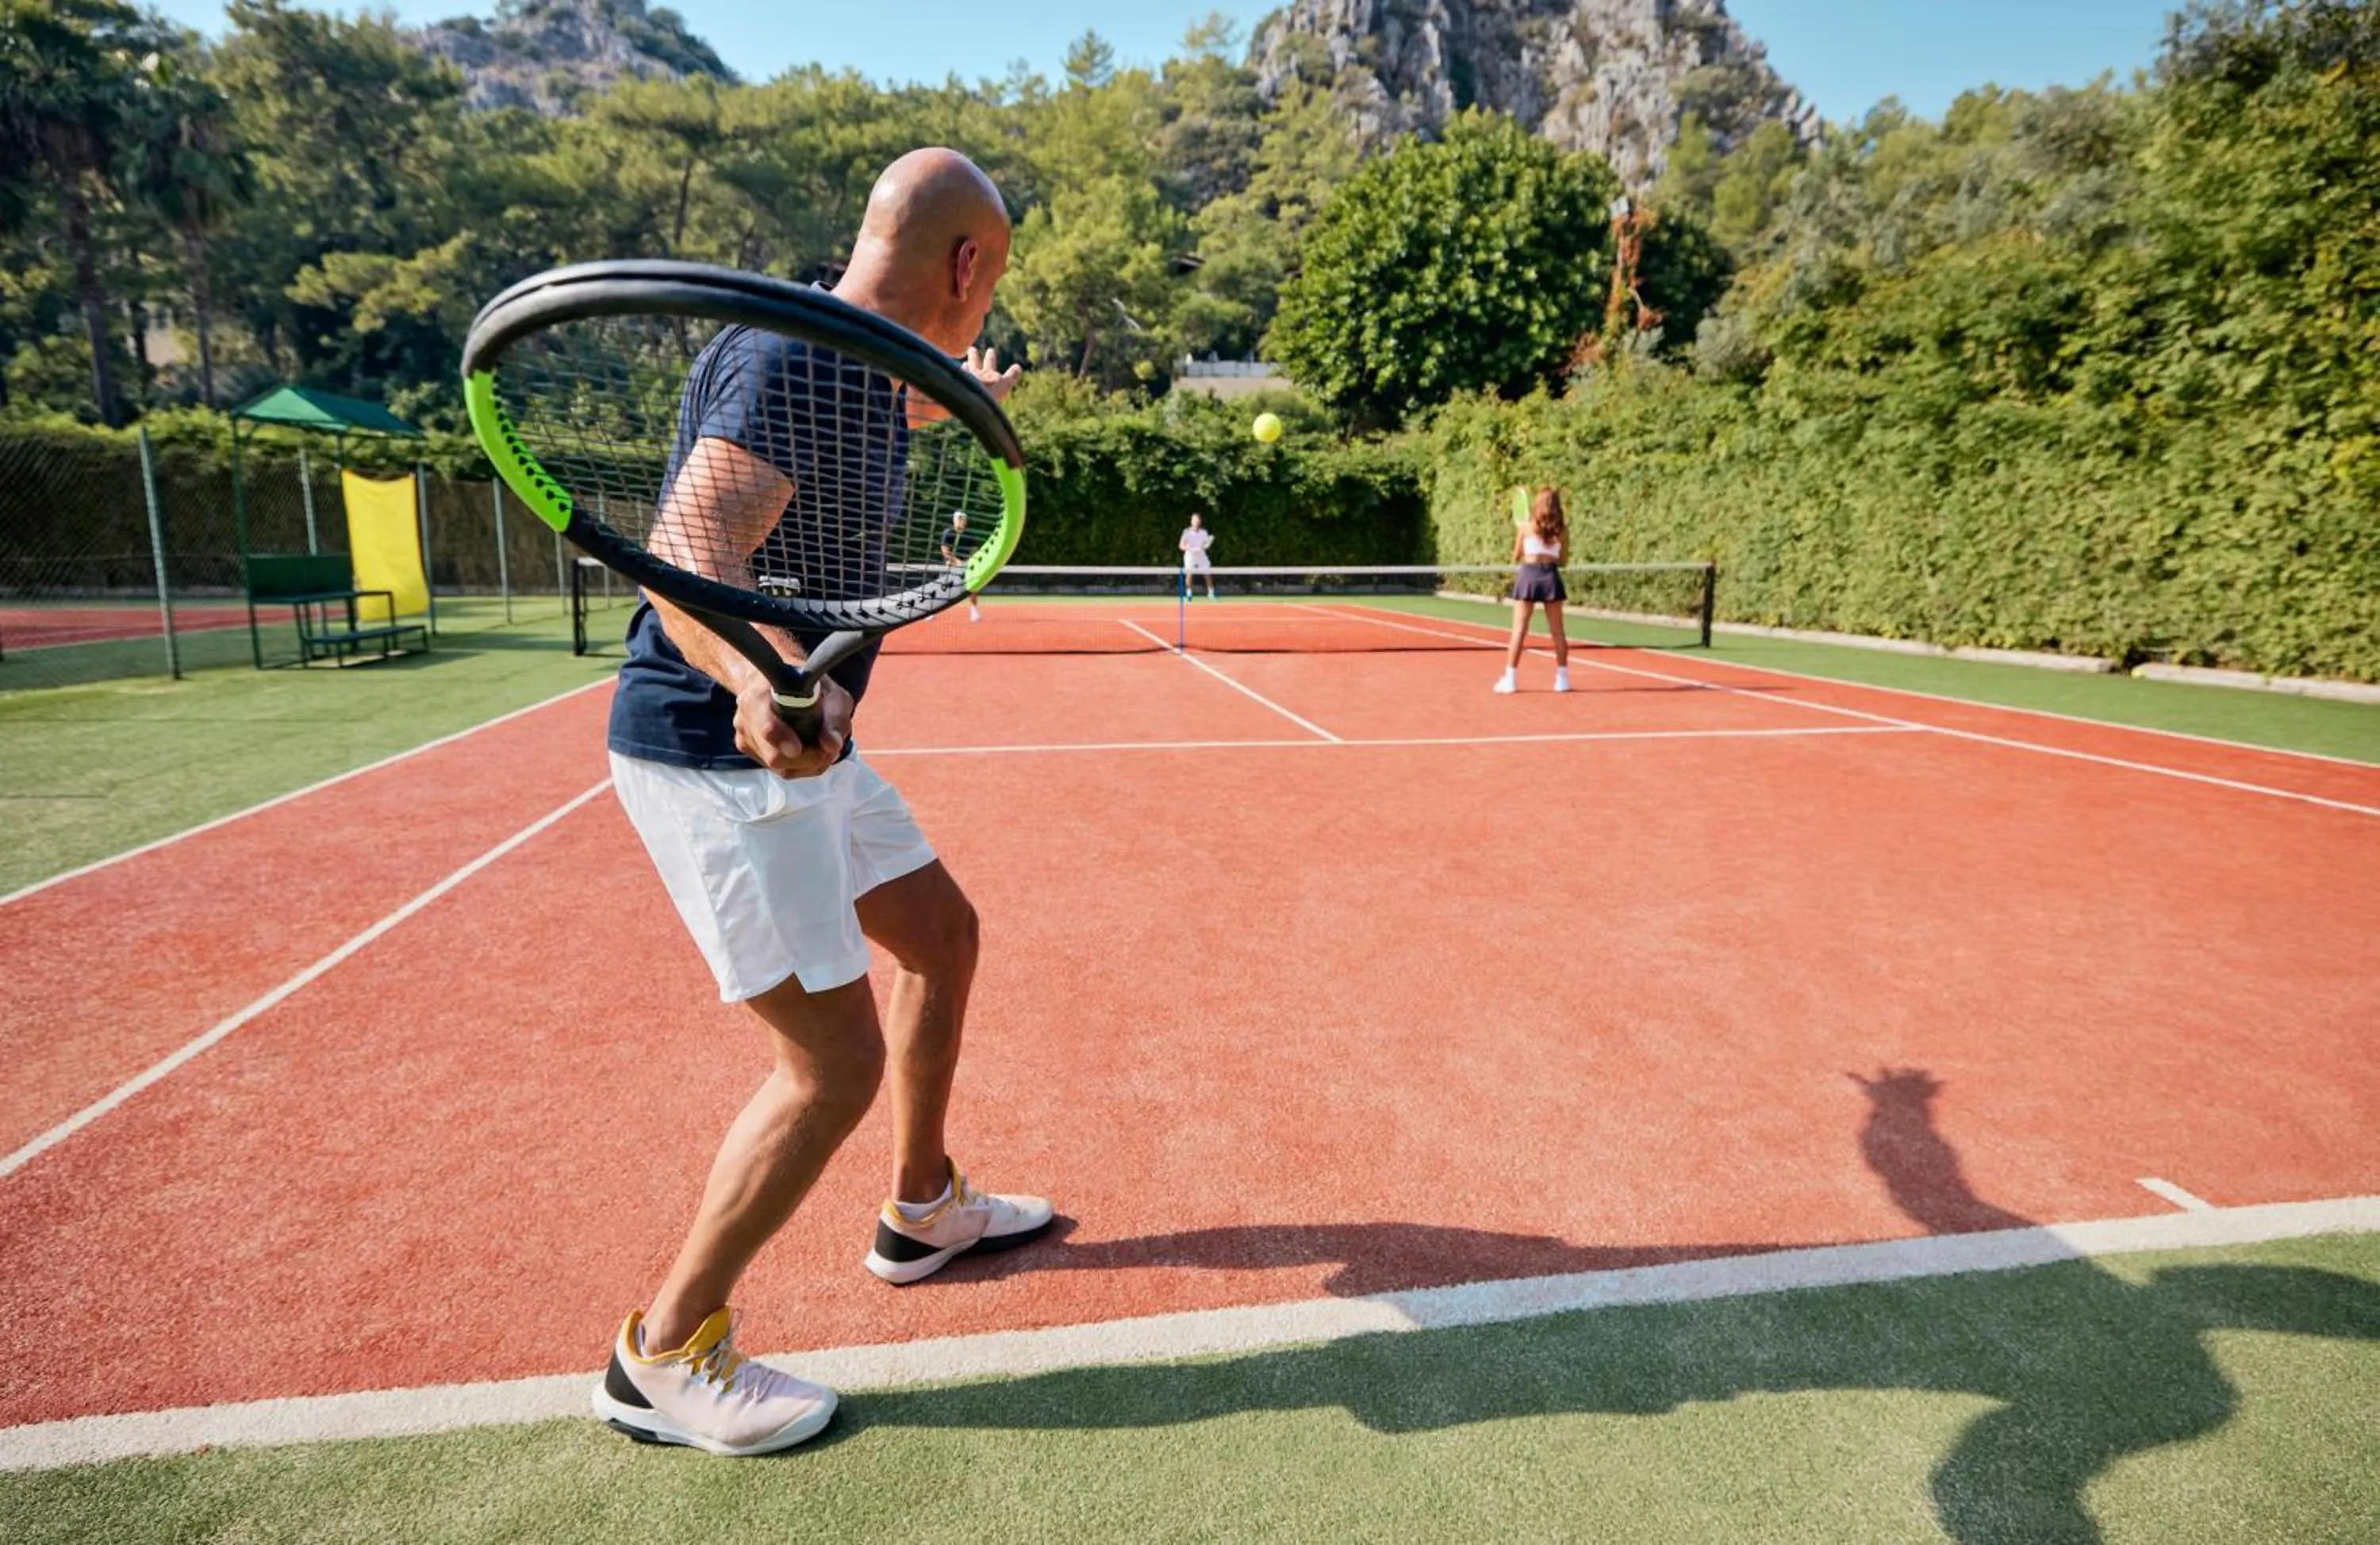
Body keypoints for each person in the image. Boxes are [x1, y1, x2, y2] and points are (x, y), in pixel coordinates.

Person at [596, 148, 1051, 1459]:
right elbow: (688, 554)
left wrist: (957, 396)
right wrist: (757, 678)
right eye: (993, 278)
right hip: (723, 750)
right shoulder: (793, 361)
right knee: (829, 1060)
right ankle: (664, 1349)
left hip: (810, 745)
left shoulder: (853, 360)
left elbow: (854, 432)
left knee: (943, 935)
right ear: (967, 266)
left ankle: (921, 1206)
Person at [1495, 488, 1572, 694]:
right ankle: (1562, 680)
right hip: (1550, 577)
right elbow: (1563, 561)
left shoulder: (1525, 528)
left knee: (1519, 630)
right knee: (1558, 631)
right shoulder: (1563, 531)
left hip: (1529, 576)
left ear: (1537, 505)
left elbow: (1516, 556)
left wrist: (1524, 540)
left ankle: (1510, 680)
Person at [941, 510, 981, 620]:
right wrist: (956, 561)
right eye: (958, 519)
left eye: (963, 519)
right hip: (951, 564)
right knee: (941, 588)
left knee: (973, 586)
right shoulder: (948, 533)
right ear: (954, 520)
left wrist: (970, 563)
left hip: (966, 565)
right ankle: (931, 613)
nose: (961, 521)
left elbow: (974, 552)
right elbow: (945, 551)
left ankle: (974, 611)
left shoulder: (970, 535)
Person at [1179, 512, 1217, 600]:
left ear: (1200, 522)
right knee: (1189, 574)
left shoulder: (1204, 532)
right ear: (1191, 521)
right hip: (1190, 556)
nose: (1196, 522)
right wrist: (1189, 549)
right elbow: (1181, 546)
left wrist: (1204, 547)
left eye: (1198, 520)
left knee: (1207, 574)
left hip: (1201, 556)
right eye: (1194, 520)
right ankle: (1189, 595)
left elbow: (1206, 545)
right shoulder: (1186, 532)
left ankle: (1211, 594)